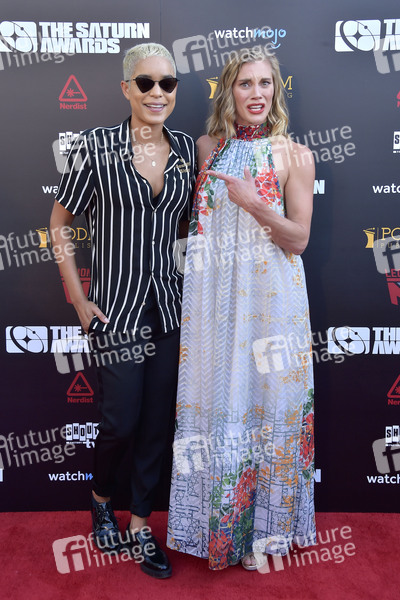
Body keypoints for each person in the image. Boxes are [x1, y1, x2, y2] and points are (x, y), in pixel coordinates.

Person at [50, 42, 195, 579]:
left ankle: (139, 524)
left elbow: (186, 228)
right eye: (146, 82)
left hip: (170, 311)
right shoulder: (96, 147)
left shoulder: (186, 150)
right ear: (126, 88)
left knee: (157, 424)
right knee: (119, 421)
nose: (158, 92)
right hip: (117, 313)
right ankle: (101, 500)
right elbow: (59, 225)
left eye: (167, 83)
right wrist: (80, 300)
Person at [167, 47, 315, 571]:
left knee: (268, 407)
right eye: (245, 83)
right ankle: (216, 530)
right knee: (216, 406)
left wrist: (255, 203)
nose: (257, 93)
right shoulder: (207, 147)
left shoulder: (294, 155)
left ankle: (265, 535)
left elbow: (298, 240)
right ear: (229, 91)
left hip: (271, 303)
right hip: (213, 301)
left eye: (265, 83)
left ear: (277, 90)